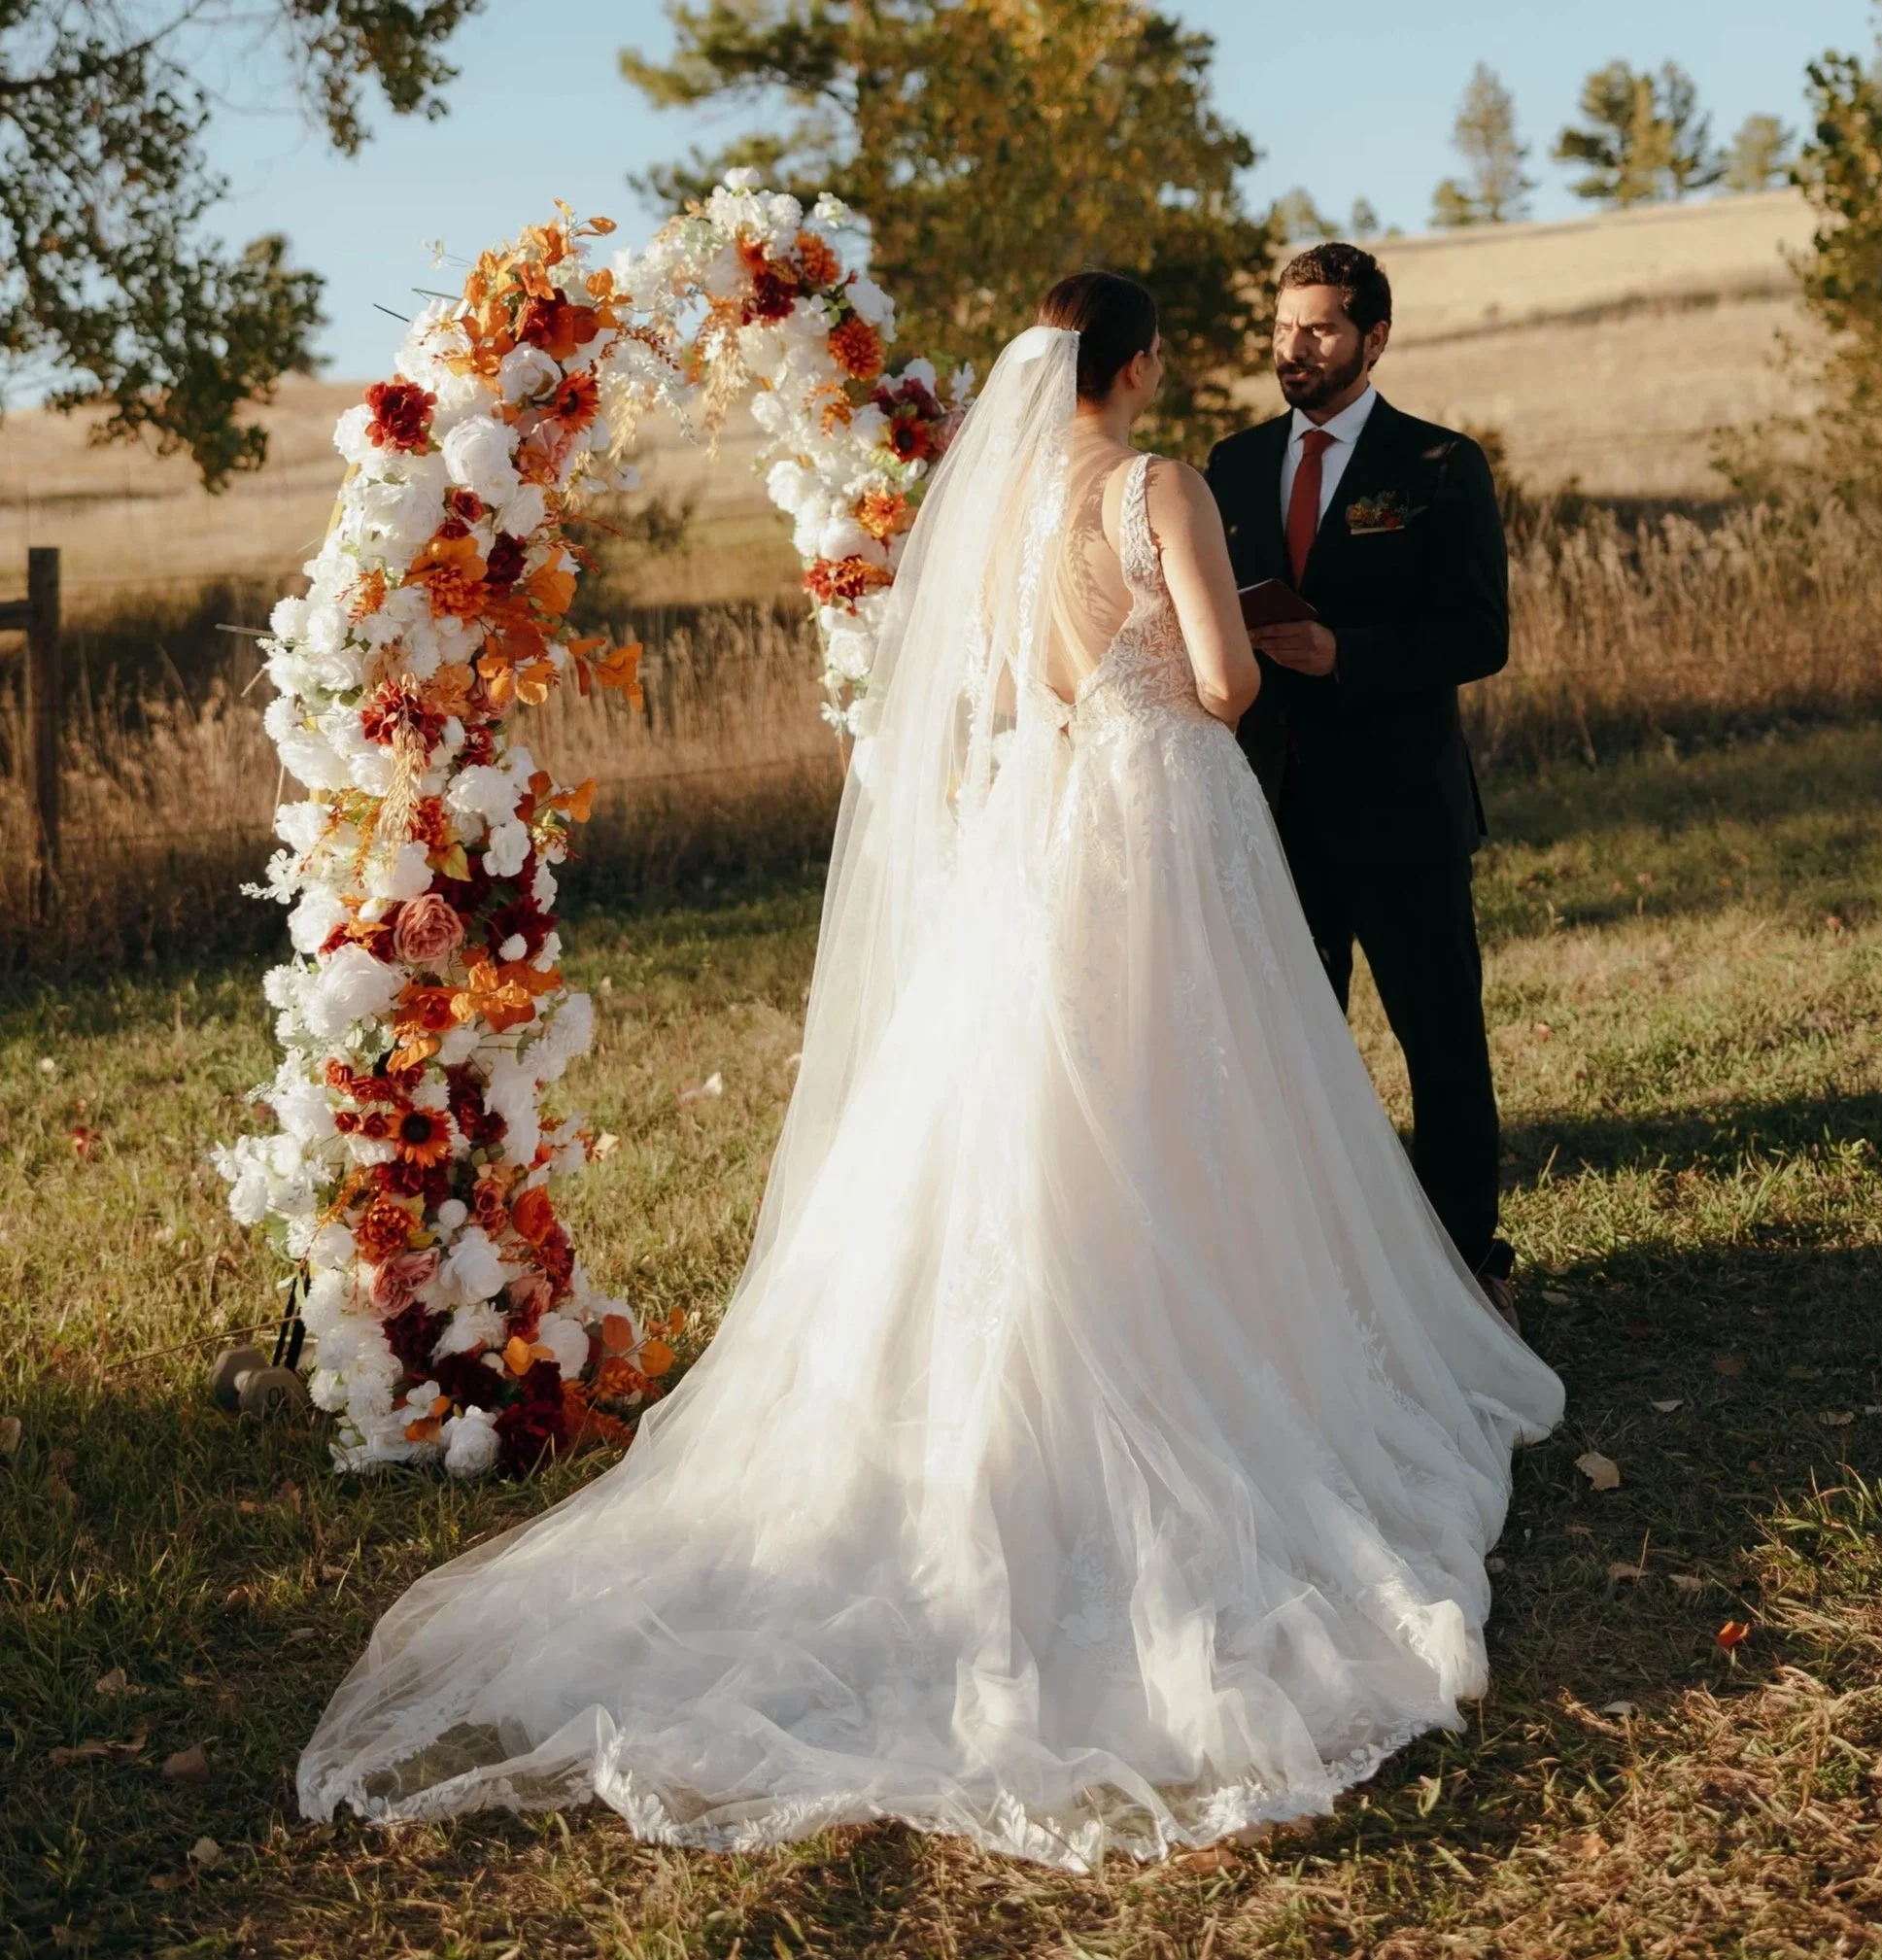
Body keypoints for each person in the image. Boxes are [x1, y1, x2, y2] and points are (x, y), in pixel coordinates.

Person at [297, 272, 1563, 1870]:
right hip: (1168, 807)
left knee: (1041, 1091)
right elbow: (1229, 689)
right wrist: (1215, 643)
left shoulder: (996, 506)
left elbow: (999, 688)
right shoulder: (1158, 482)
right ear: (1138, 363)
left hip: (1046, 821)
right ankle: (1228, 1332)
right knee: (1206, 1089)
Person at [1206, 243, 1520, 1323]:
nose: (1294, 350)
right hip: (1268, 813)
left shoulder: (1439, 465)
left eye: (1320, 330)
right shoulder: (1231, 464)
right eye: (1284, 329)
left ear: (1373, 338)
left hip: (1401, 809)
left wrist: (1350, 655)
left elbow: (1479, 634)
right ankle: (1317, 1275)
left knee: (1441, 1044)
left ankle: (1473, 1263)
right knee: (1295, 1052)